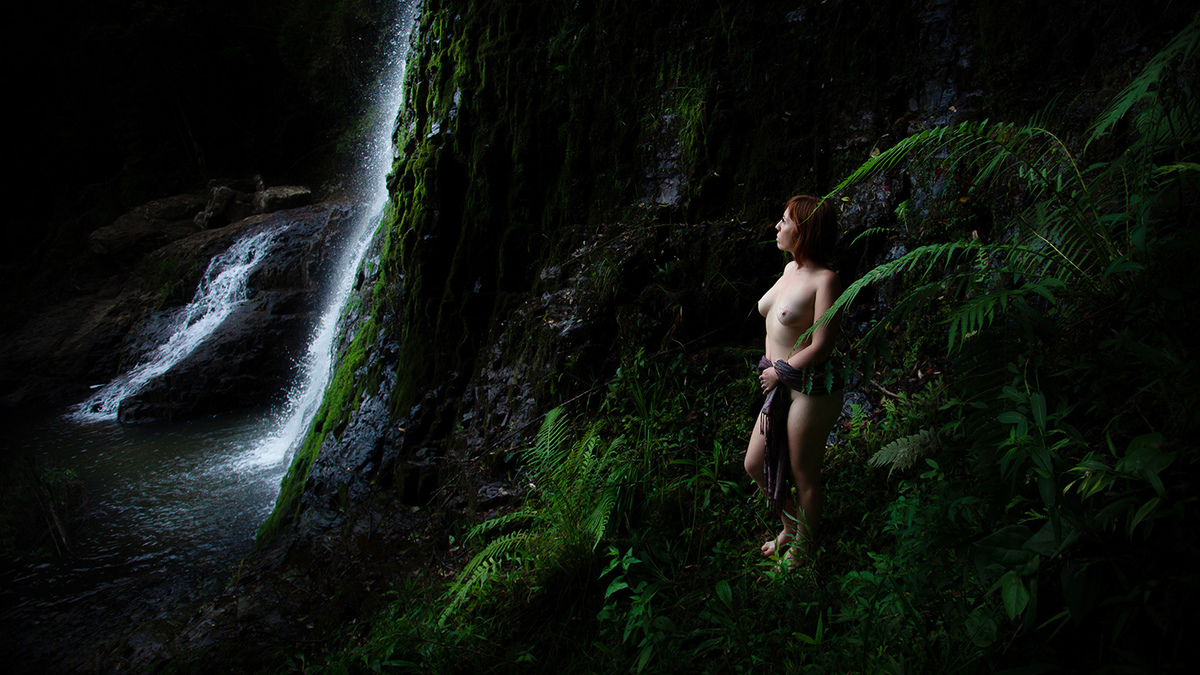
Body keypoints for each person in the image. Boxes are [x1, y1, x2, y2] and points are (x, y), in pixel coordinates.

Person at [744, 195, 844, 568]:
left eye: (785, 221)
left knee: (804, 474)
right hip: (779, 385)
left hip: (810, 389)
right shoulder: (788, 272)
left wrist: (780, 370)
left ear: (803, 232)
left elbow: (823, 343)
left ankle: (804, 548)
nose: (777, 227)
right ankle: (791, 525)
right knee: (755, 464)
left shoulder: (826, 280)